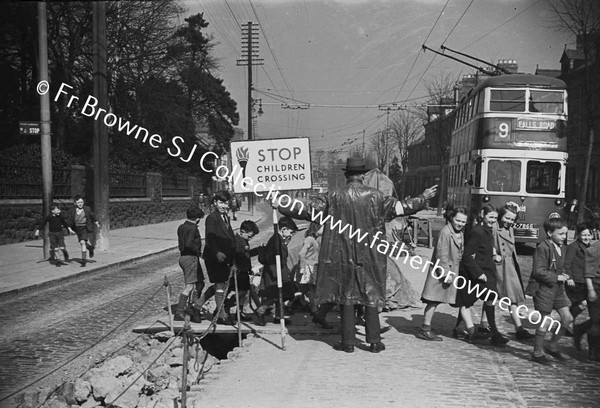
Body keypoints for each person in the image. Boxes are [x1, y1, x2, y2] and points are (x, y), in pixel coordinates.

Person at [276, 157, 435, 353]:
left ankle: (348, 342)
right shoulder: (377, 196)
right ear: (363, 175)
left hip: (340, 254)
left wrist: (281, 203)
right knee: (370, 295)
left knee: (346, 296)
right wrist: (423, 197)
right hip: (371, 255)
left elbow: (306, 209)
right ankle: (375, 341)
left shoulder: (332, 196)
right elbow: (401, 208)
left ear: (346, 175)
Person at [456, 204, 509, 346]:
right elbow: (467, 255)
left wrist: (493, 254)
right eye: (490, 217)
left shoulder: (487, 230)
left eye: (495, 218)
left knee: (490, 298)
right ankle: (479, 332)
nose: (493, 220)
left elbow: (483, 248)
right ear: (482, 214)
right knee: (467, 301)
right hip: (477, 274)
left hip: (487, 271)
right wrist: (478, 274)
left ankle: (492, 333)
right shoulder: (478, 231)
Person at [418, 206, 468, 342]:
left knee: (441, 299)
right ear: (451, 218)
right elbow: (441, 254)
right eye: (458, 220)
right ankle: (425, 328)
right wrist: (446, 273)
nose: (460, 224)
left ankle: (458, 327)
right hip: (442, 272)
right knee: (433, 300)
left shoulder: (459, 232)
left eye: (463, 222)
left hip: (453, 270)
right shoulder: (445, 232)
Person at [529, 217, 574, 365]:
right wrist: (557, 277)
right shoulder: (543, 247)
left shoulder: (561, 247)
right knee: (545, 321)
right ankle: (537, 352)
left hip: (558, 289)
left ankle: (553, 344)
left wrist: (566, 276)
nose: (564, 237)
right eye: (561, 234)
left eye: (565, 234)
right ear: (549, 233)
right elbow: (538, 271)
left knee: (567, 318)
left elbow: (563, 266)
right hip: (544, 289)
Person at [492, 202, 535, 340]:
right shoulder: (494, 227)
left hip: (509, 265)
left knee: (511, 298)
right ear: (500, 216)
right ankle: (485, 324)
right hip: (499, 266)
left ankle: (518, 328)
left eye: (512, 219)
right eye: (507, 218)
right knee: (491, 297)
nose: (509, 221)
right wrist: (494, 255)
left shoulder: (509, 228)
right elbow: (488, 243)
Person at [195, 191, 237, 325]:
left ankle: (196, 306)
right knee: (220, 285)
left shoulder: (225, 217)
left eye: (226, 203)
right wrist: (217, 252)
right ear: (214, 203)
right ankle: (221, 315)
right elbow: (210, 238)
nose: (224, 206)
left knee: (221, 284)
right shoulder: (212, 218)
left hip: (225, 257)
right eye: (221, 203)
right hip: (214, 257)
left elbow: (230, 236)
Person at [255, 216, 299, 326]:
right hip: (274, 272)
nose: (291, 235)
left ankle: (279, 316)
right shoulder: (276, 241)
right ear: (283, 229)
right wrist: (278, 275)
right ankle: (261, 311)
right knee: (274, 295)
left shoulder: (279, 239)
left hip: (279, 271)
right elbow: (271, 259)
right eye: (291, 232)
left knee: (282, 294)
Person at [224, 220, 261, 322]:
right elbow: (237, 254)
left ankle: (239, 312)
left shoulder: (244, 241)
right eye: (249, 236)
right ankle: (226, 307)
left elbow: (247, 255)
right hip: (238, 271)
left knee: (243, 293)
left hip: (244, 271)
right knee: (240, 292)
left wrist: (257, 250)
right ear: (242, 231)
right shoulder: (236, 241)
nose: (250, 238)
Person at [565, 223, 594, 348]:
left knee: (581, 305)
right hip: (576, 281)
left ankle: (568, 323)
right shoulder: (573, 247)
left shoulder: (590, 247)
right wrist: (569, 277)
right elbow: (567, 263)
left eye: (588, 235)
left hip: (586, 280)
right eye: (584, 235)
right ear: (578, 235)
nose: (586, 237)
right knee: (582, 304)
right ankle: (567, 323)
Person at [175, 206, 205, 323]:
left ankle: (194, 307)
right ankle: (179, 312)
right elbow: (188, 244)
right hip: (190, 258)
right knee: (189, 287)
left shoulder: (181, 227)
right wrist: (198, 252)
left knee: (200, 283)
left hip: (184, 257)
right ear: (197, 218)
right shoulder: (193, 229)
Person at [297, 223, 325, 324]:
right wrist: (302, 267)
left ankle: (309, 305)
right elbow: (302, 253)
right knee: (312, 288)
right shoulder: (310, 239)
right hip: (309, 265)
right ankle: (313, 308)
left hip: (314, 265)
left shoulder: (316, 239)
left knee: (309, 288)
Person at [67, 195, 99, 267]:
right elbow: (70, 220)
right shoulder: (72, 210)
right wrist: (69, 227)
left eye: (81, 202)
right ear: (75, 203)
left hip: (85, 227)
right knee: (82, 242)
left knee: (82, 242)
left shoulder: (87, 209)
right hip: (77, 228)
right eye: (78, 202)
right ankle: (90, 248)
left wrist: (96, 221)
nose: (80, 204)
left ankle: (83, 260)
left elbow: (92, 215)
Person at [584, 239, 600, 361]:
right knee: (596, 321)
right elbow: (588, 273)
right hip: (596, 287)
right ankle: (592, 351)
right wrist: (591, 290)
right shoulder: (594, 249)